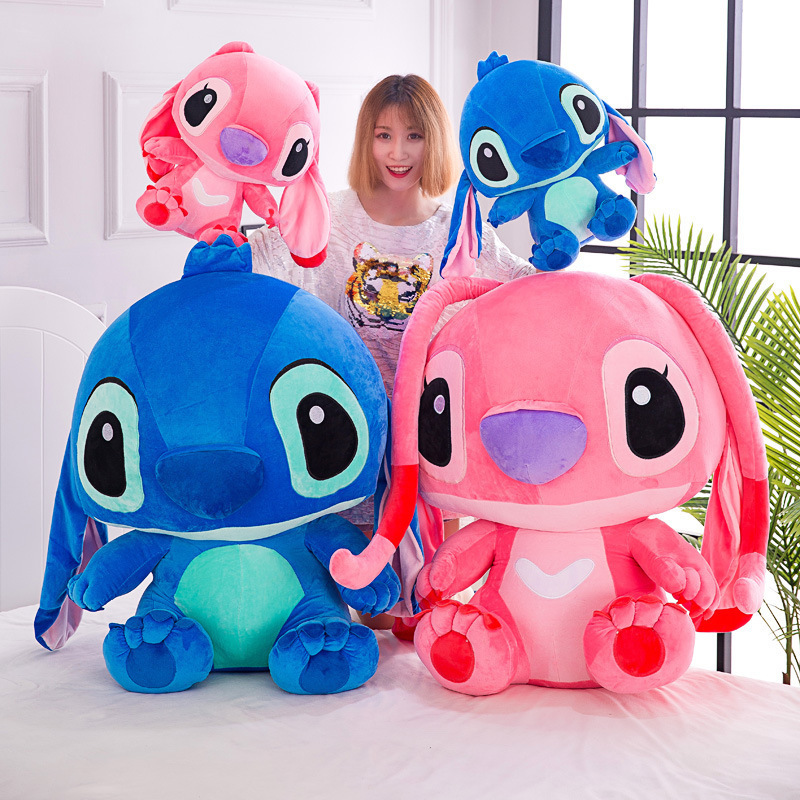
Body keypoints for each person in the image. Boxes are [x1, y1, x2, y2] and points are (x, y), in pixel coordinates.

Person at [250, 74, 535, 621]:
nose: (398, 153)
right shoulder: (330, 216)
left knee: (429, 601)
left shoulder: (459, 228)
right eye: (384, 136)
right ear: (367, 139)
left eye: (413, 136)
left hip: (429, 426)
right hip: (348, 424)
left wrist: (562, 258)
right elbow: (260, 257)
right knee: (367, 600)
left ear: (434, 141)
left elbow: (520, 285)